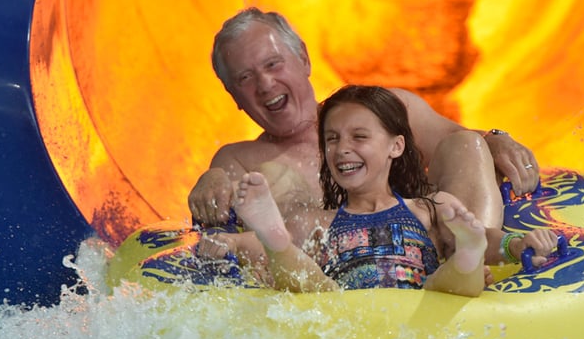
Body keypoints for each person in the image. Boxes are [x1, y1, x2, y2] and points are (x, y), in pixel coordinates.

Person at [188, 7, 540, 244]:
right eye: (246, 78)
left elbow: (457, 140)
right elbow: (222, 207)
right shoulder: (240, 160)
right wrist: (212, 181)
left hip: (433, 256)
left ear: (304, 60)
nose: (264, 84)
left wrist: (496, 138)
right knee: (283, 198)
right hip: (342, 284)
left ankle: (476, 260)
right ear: (233, 96)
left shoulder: (382, 108)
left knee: (468, 145)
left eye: (273, 64)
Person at [206, 85, 558, 296]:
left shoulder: (431, 210)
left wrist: (517, 245)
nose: (342, 149)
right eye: (332, 139)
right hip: (348, 310)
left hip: (423, 302)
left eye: (359, 137)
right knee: (314, 284)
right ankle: (276, 241)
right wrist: (229, 243)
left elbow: (492, 236)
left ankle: (467, 252)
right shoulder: (319, 224)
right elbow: (248, 249)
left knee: (448, 278)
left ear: (396, 146)